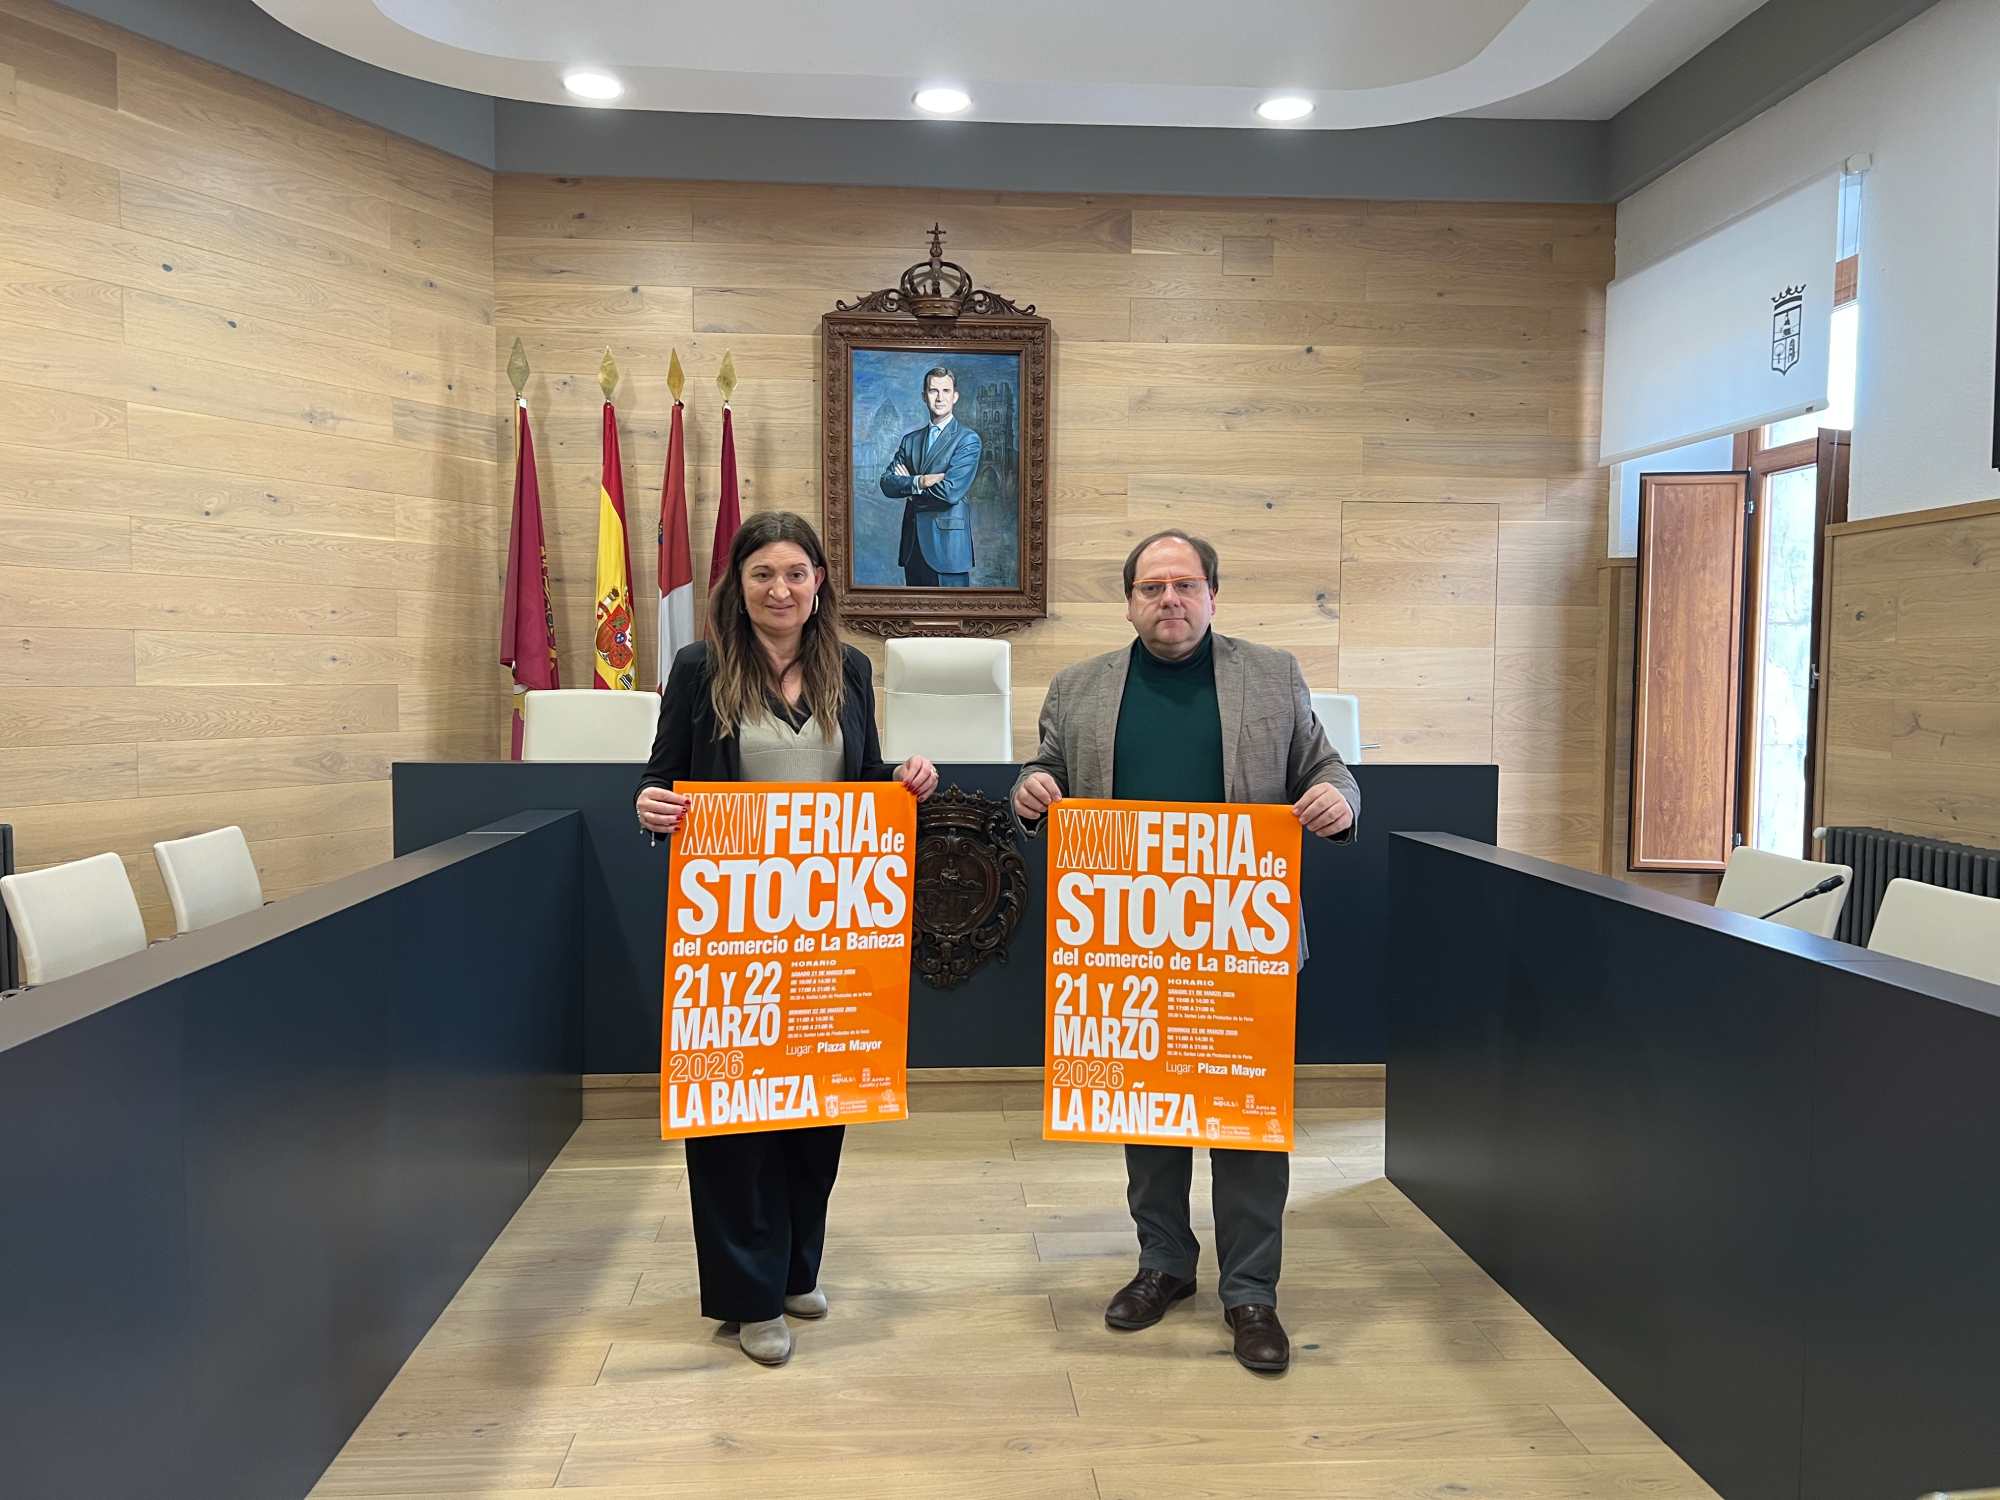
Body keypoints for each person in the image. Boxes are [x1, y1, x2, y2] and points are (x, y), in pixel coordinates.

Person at [1010, 529, 1359, 1374]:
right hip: (1126, 941)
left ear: (1213, 594)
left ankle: (1251, 1292)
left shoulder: (1272, 674)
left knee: (1246, 1124)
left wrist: (1334, 800)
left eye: (1185, 585)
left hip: (1241, 941)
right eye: (1151, 587)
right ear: (1129, 599)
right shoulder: (1079, 685)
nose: (1169, 600)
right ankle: (1164, 1264)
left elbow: (1332, 769)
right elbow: (1044, 770)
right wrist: (1030, 789)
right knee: (1151, 1117)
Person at [635, 510, 939, 1367]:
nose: (781, 590)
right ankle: (748, 1296)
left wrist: (902, 778)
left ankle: (797, 1267)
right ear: (740, 585)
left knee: (817, 1111)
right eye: (763, 574)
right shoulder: (698, 670)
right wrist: (649, 808)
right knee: (736, 1123)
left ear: (819, 585)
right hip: (733, 936)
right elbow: (659, 782)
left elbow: (863, 777)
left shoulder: (849, 668)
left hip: (831, 930)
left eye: (796, 574)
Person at [877, 365, 982, 587]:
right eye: (934, 391)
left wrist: (909, 490)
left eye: (946, 391)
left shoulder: (967, 440)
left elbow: (950, 492)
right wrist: (921, 481)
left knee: (952, 618)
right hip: (912, 547)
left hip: (948, 550)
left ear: (955, 397)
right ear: (924, 396)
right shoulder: (910, 441)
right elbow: (887, 484)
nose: (940, 397)